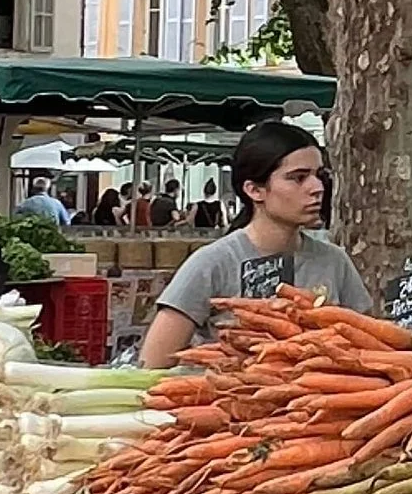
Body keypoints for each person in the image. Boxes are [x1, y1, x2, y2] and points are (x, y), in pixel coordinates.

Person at [142, 122, 370, 363]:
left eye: (319, 175)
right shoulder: (212, 263)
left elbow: (369, 343)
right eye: (299, 178)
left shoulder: (334, 261)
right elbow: (154, 362)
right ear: (255, 190)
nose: (317, 188)